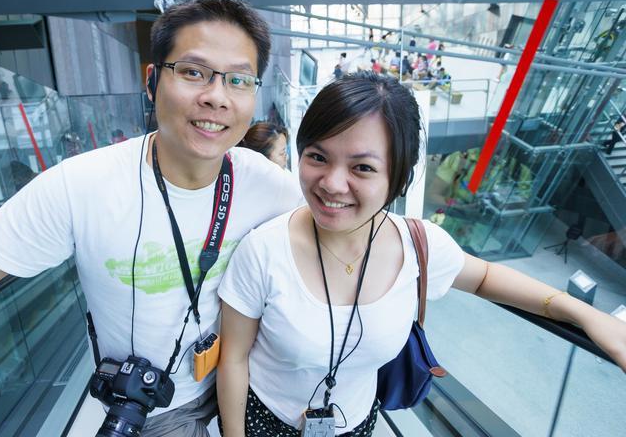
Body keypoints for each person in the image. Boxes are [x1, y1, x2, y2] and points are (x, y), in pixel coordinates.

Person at [0, 0, 303, 436]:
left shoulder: (270, 185)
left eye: (238, 80)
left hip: (245, 378)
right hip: (152, 407)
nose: (216, 97)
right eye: (192, 72)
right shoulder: (79, 186)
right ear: (152, 82)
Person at [216, 73, 626, 437]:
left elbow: (485, 278)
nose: (332, 184)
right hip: (266, 421)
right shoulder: (263, 250)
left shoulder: (417, 244)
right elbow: (233, 360)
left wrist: (586, 315)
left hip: (356, 421)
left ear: (399, 178)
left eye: (362, 168)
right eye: (318, 157)